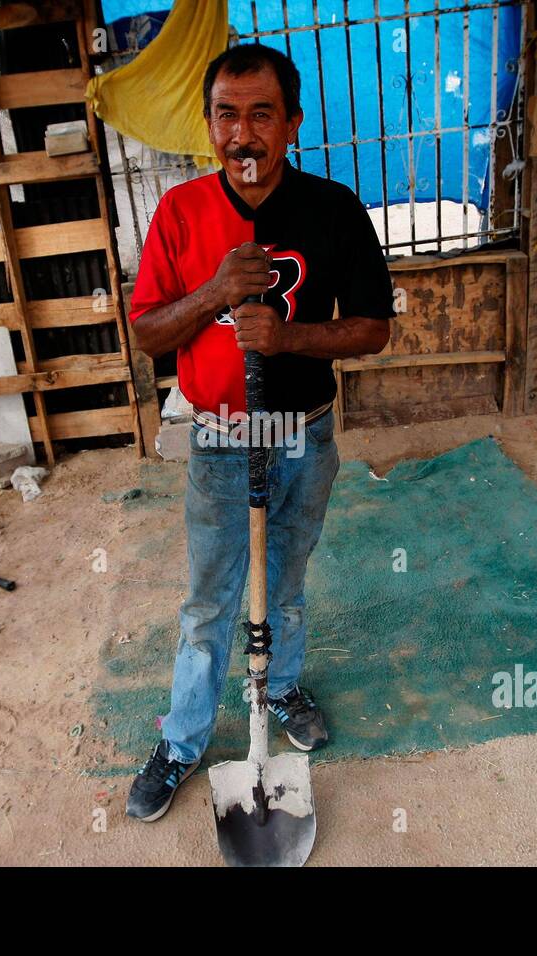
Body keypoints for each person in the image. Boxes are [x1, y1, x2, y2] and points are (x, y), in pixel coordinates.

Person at [125, 42, 394, 822]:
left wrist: (290, 339)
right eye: (226, 116)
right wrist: (213, 293)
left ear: (293, 123)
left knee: (286, 580)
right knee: (211, 600)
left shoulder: (335, 209)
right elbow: (147, 333)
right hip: (217, 435)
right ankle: (182, 741)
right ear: (210, 126)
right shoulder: (180, 213)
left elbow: (373, 329)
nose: (243, 134)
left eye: (261, 114)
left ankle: (279, 687)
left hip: (304, 432)